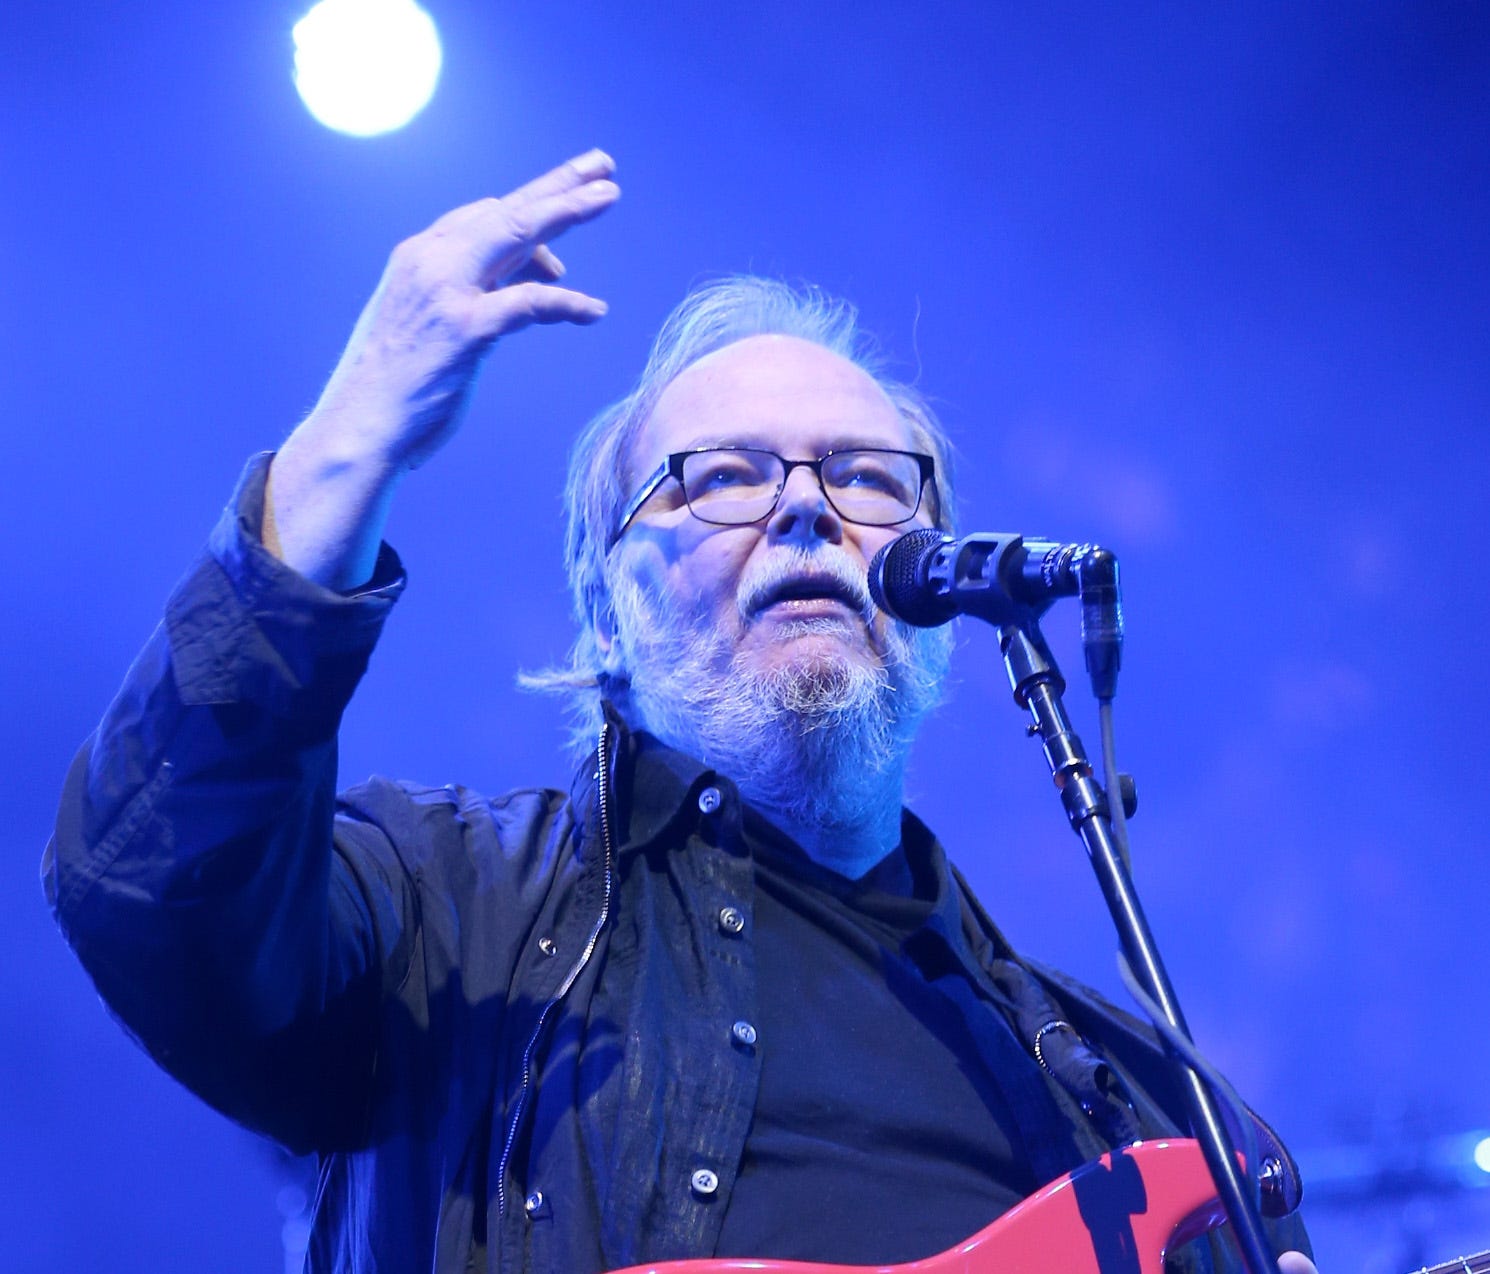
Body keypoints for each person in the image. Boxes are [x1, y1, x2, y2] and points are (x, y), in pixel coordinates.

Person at [45, 151, 1315, 1274]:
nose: (809, 507)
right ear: (607, 609)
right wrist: (339, 452)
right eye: (724, 478)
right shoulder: (445, 913)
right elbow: (149, 892)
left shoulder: (1129, 1095)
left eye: (867, 475)